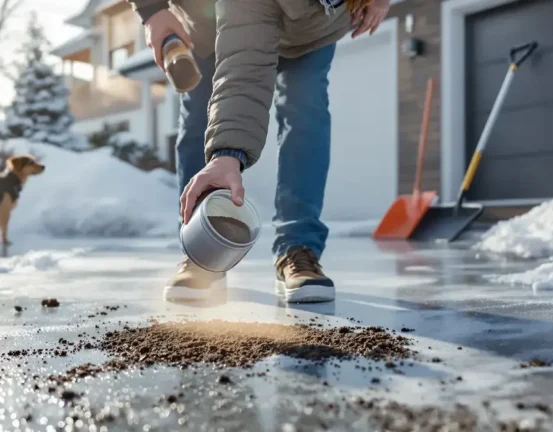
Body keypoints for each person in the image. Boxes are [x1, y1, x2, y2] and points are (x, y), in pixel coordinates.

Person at [126, 0, 391, 303]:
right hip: (206, 19)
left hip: (311, 27)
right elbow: (246, 71)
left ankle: (298, 248)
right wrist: (151, 11)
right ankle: (203, 250)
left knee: (306, 112)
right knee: (202, 117)